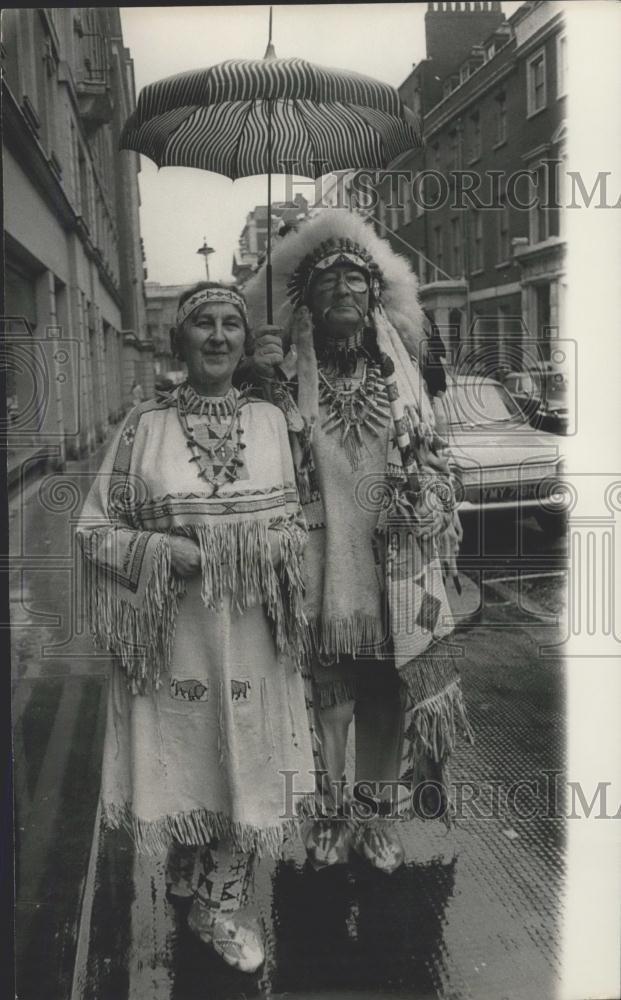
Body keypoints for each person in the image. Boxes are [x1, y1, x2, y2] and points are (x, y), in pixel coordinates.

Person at [77, 281, 315, 973]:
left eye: (230, 325)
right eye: (203, 324)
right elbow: (95, 529)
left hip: (251, 636)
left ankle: (219, 901)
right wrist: (161, 551)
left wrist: (281, 546)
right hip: (171, 633)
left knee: (245, 755)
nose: (217, 336)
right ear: (180, 340)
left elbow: (302, 519)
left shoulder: (273, 420)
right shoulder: (141, 427)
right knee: (189, 754)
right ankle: (188, 865)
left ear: (245, 341)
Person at [244, 210, 472, 874]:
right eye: (327, 280)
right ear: (304, 301)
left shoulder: (404, 382)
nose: (344, 289)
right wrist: (256, 380)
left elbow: (437, 465)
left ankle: (375, 816)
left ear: (376, 295)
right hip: (316, 563)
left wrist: (424, 497)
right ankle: (328, 815)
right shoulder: (283, 380)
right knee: (325, 696)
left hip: (395, 564)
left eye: (356, 279)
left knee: (384, 691)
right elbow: (252, 458)